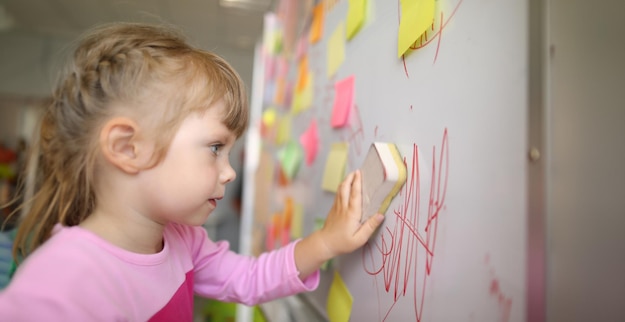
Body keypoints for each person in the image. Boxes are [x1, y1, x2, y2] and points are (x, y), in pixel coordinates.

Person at [0, 22, 384, 321]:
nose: (229, 173)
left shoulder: (184, 242)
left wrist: (327, 242)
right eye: (216, 148)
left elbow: (248, 279)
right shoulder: (63, 281)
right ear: (126, 148)